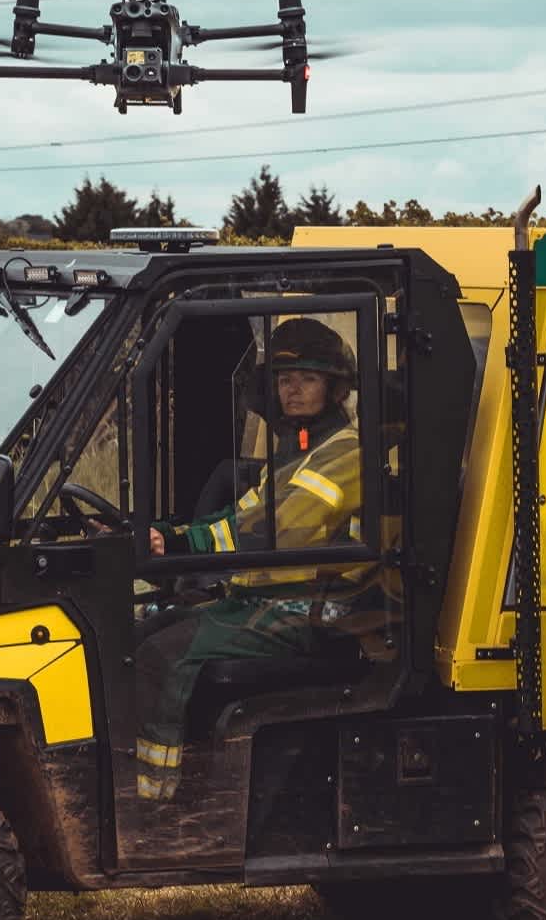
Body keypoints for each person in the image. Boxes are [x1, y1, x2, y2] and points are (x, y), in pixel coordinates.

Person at [134, 317, 373, 800]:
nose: (293, 390)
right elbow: (236, 516)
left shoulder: (346, 453)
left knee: (163, 655)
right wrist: (170, 537)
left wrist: (184, 548)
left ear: (335, 387)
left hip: (312, 611)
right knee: (138, 633)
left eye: (307, 379)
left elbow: (274, 531)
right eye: (284, 380)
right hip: (265, 600)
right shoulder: (299, 452)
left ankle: (157, 802)